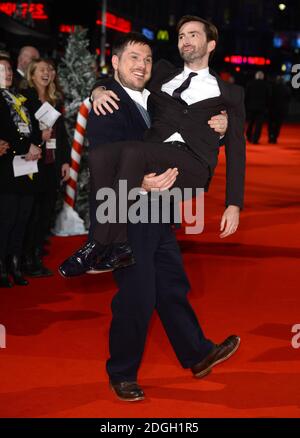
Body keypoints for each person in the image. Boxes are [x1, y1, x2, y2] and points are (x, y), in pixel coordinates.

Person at [64, 27, 240, 401]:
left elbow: (191, 123)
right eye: (133, 58)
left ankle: (197, 353)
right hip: (127, 215)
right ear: (115, 63)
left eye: (146, 59)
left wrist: (222, 130)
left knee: (172, 287)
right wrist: (142, 184)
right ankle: (122, 373)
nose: (142, 65)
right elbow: (106, 163)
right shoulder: (108, 104)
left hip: (159, 212)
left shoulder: (157, 97)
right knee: (137, 296)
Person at [60, 15, 246, 277]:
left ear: (211, 44)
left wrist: (233, 204)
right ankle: (120, 244)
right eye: (181, 36)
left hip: (192, 164)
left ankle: (98, 243)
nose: (186, 40)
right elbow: (121, 75)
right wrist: (98, 91)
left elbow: (237, 150)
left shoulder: (230, 93)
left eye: (193, 34)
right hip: (156, 155)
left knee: (133, 150)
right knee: (101, 156)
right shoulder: (160, 72)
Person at [20, 59, 70, 277]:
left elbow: (62, 136)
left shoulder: (54, 101)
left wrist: (65, 161)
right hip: (31, 164)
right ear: (32, 75)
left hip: (51, 164)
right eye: (42, 70)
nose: (47, 73)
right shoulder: (25, 100)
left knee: (46, 214)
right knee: (30, 214)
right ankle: (23, 258)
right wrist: (39, 137)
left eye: (50, 69)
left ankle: (35, 256)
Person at [0, 56, 42, 287]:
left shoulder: (19, 97)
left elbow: (33, 125)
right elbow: (5, 128)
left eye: (8, 69)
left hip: (27, 165)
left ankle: (15, 266)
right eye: (1, 70)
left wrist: (36, 145)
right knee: (6, 218)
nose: (6, 73)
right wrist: (26, 146)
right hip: (7, 165)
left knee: (23, 217)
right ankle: (2, 267)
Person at [245, 71, 270, 144]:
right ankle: (255, 139)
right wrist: (267, 107)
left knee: (250, 123)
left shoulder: (250, 84)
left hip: (251, 107)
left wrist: (246, 106)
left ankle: (249, 136)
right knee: (259, 125)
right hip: (261, 108)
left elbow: (246, 96)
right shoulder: (266, 85)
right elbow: (268, 97)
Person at [268, 75, 291, 144]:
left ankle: (271, 136)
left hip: (272, 108)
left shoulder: (272, 87)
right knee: (278, 124)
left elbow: (269, 97)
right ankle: (275, 137)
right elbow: (288, 99)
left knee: (271, 123)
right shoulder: (286, 88)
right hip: (281, 109)